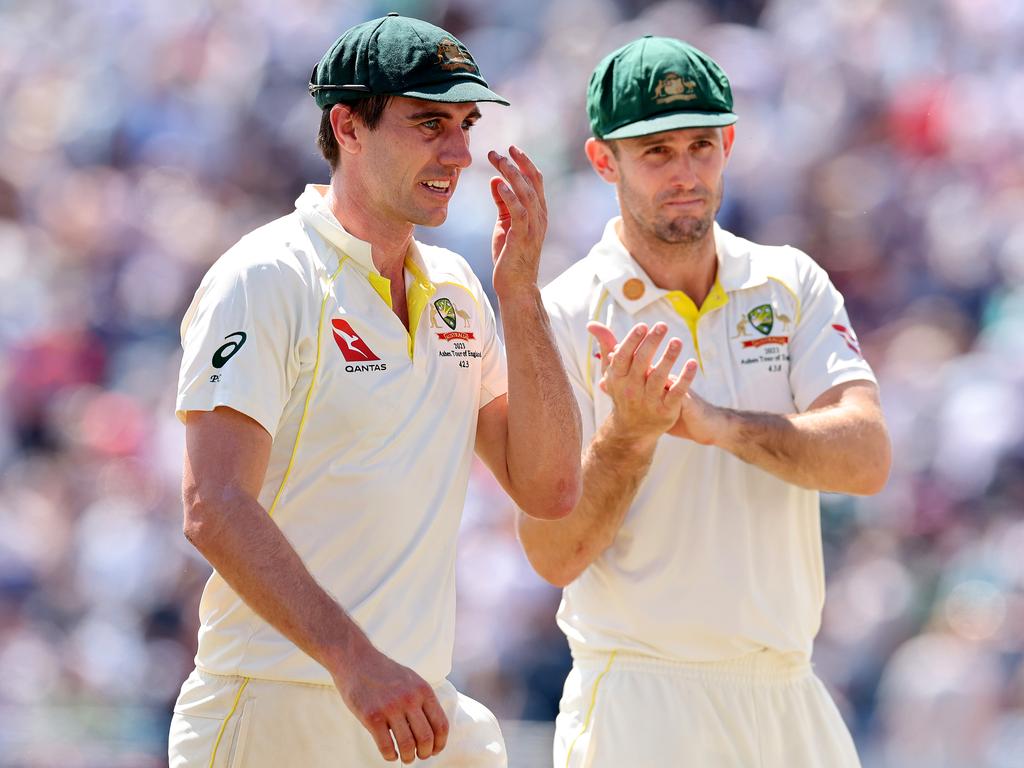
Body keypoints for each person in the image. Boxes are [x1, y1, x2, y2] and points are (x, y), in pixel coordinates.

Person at [168, 13, 581, 767]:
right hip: (276, 705)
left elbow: (550, 488)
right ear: (347, 127)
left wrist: (521, 295)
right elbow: (213, 507)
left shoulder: (458, 286)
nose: (459, 153)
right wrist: (354, 662)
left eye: (465, 124)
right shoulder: (268, 275)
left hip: (409, 708)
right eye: (429, 122)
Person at [518, 35, 892, 768]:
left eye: (701, 145)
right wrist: (630, 437)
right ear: (603, 161)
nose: (685, 173)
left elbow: (868, 458)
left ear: (728, 144)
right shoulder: (563, 314)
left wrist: (718, 426)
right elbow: (553, 553)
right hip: (640, 702)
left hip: (788, 689)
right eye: (656, 152)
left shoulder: (789, 281)